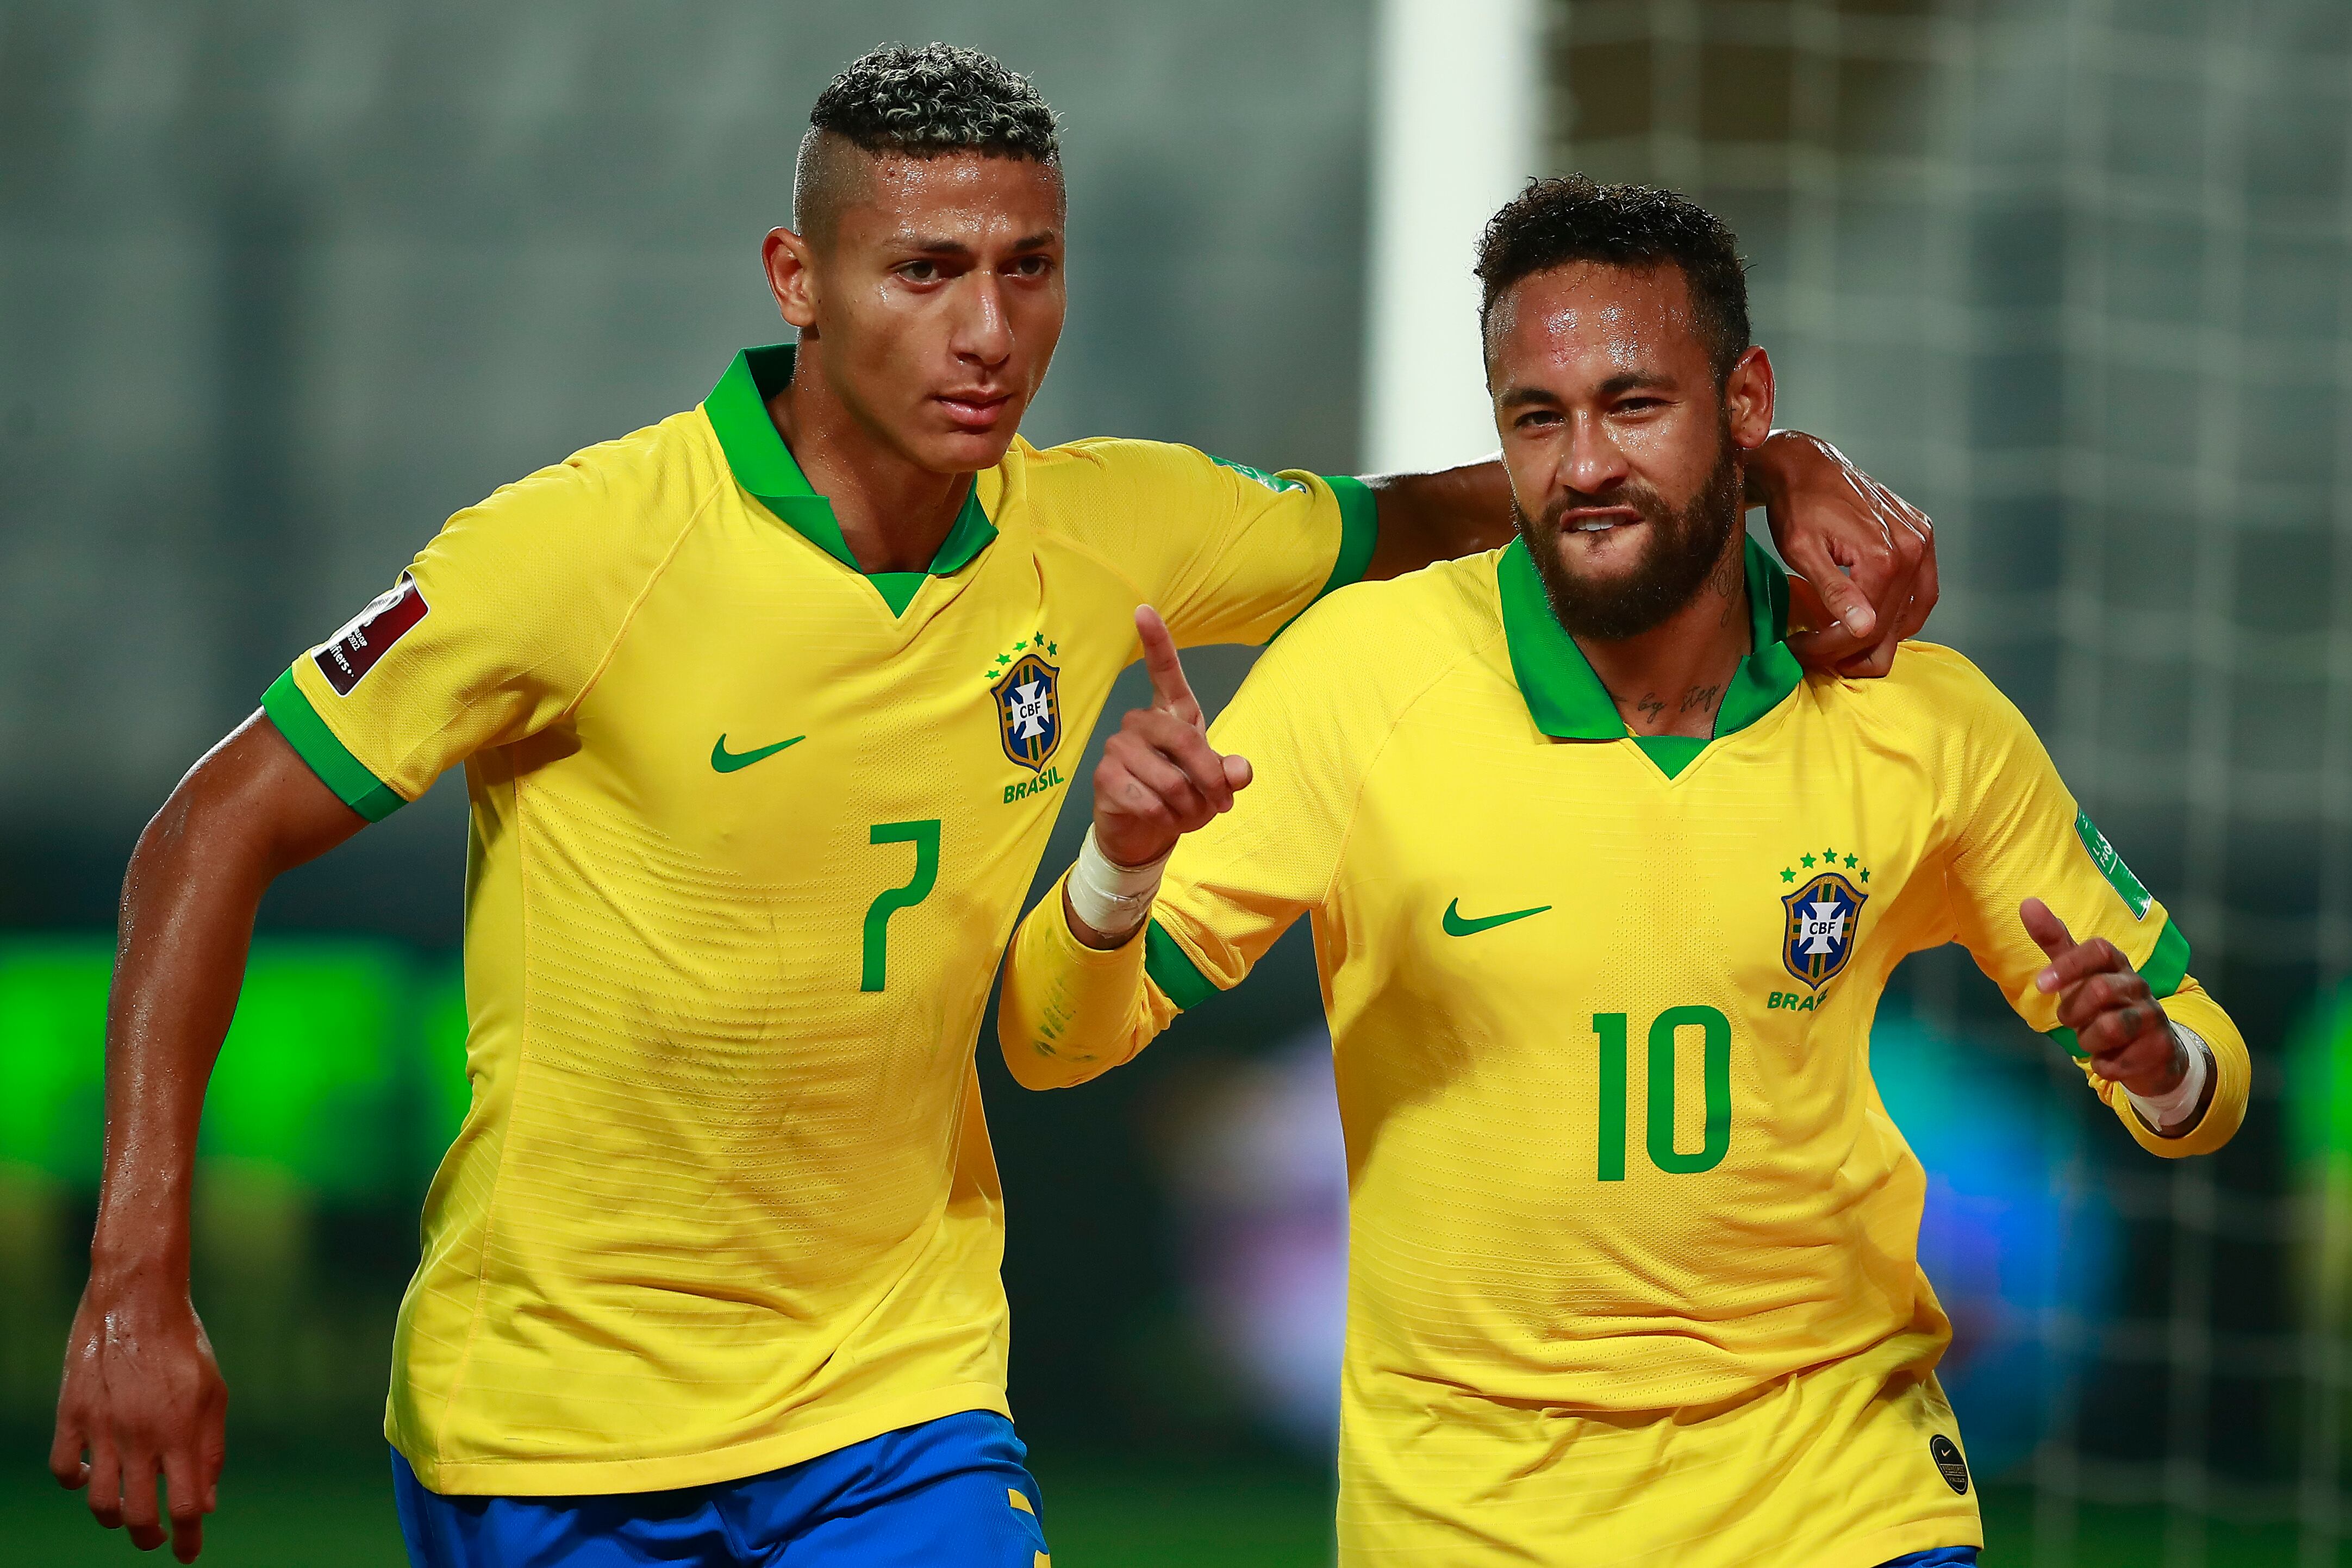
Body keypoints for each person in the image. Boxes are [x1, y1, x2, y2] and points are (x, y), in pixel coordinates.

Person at [51, 45, 1935, 1568]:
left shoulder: (1096, 525)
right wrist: (136, 1277)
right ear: (799, 282)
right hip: (555, 1419)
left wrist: (1768, 463)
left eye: (1025, 269)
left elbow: (1440, 515)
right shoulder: (581, 555)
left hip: (900, 1408)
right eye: (924, 272)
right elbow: (204, 833)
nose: (985, 331)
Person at [997, 175, 2249, 1568]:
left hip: (1837, 1490)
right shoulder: (1365, 680)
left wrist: (2157, 1067)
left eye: (1635, 403)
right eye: (1539, 417)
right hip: (1474, 1515)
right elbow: (1053, 1042)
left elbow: (2202, 1075)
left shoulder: (1920, 718)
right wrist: (1115, 867)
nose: (1584, 461)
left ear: (1747, 404)